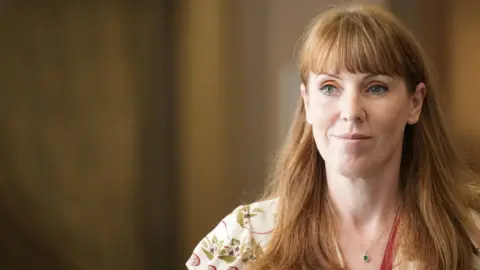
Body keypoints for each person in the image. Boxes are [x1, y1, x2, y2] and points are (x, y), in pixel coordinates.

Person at [186, 3, 480, 270]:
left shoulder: (470, 238)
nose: (351, 111)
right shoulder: (243, 241)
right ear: (307, 103)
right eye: (329, 87)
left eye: (375, 87)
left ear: (414, 103)